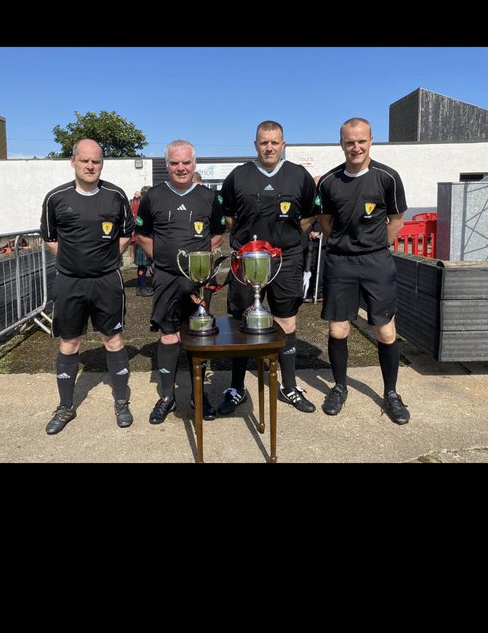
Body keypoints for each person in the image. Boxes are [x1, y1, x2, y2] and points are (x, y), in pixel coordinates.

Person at [218, 121, 320, 416]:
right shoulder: (238, 176)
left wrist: (285, 243)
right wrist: (251, 246)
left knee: (286, 320)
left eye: (275, 142)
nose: (269, 147)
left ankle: (288, 386)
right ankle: (236, 387)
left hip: (286, 260)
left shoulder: (298, 175)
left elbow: (309, 216)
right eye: (264, 142)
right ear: (255, 144)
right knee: (240, 322)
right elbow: (228, 218)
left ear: (283, 143)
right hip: (247, 259)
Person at [317, 117, 410, 424]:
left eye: (361, 141)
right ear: (341, 143)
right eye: (349, 142)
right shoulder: (329, 181)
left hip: (376, 262)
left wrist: (375, 245)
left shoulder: (388, 177)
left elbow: (397, 220)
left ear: (371, 141)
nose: (355, 147)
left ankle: (391, 393)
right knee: (338, 329)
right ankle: (340, 387)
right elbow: (325, 223)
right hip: (340, 262)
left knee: (384, 330)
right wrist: (345, 245)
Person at [40, 138, 135, 435]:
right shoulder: (56, 198)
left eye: (96, 161)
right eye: (85, 160)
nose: (91, 166)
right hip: (69, 282)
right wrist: (73, 262)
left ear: (101, 164)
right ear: (73, 162)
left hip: (107, 281)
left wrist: (104, 261)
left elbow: (126, 233)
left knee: (113, 340)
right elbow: (49, 237)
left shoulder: (115, 195)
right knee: (70, 342)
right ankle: (65, 406)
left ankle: (121, 402)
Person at [135, 140, 225, 424]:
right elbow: (144, 235)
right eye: (174, 163)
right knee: (169, 334)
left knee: (198, 335)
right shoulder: (154, 197)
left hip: (197, 281)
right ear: (167, 165)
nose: (181, 168)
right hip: (166, 279)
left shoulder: (209, 197)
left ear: (194, 164)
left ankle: (199, 395)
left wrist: (198, 263)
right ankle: (166, 397)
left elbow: (218, 233)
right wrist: (163, 261)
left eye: (186, 162)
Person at [133, 185, 154, 295]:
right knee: (143, 265)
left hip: (142, 238)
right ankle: (141, 288)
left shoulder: (138, 203)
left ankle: (143, 286)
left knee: (144, 265)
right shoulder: (145, 205)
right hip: (145, 237)